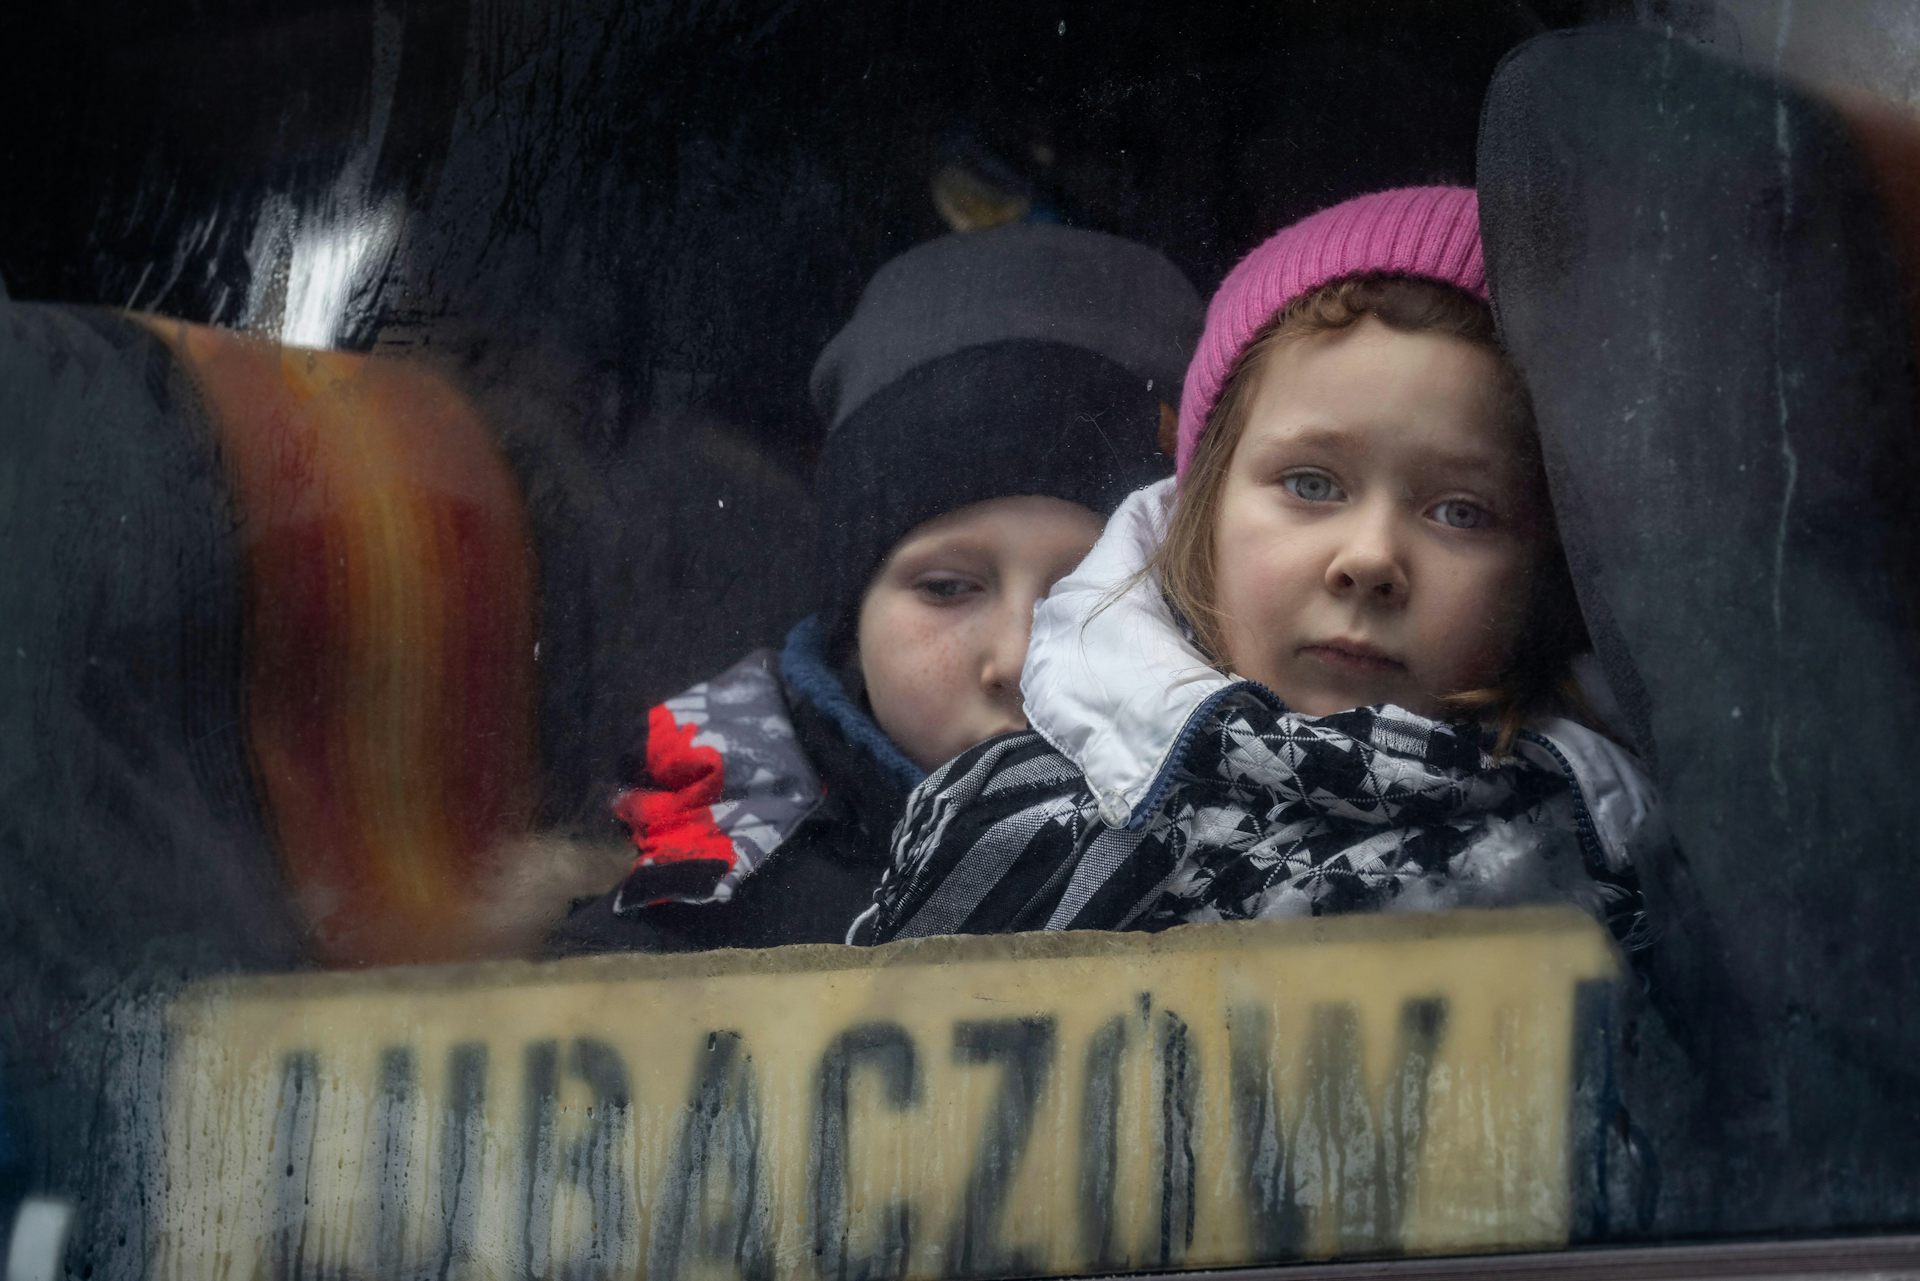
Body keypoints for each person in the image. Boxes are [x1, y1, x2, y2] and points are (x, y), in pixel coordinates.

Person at [852, 187, 1658, 946]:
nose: (1371, 557)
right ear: (1202, 516)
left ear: (1545, 567)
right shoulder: (1018, 823)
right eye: (1311, 484)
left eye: (1461, 511)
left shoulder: (1631, 855)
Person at [531, 223, 1203, 955]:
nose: (1017, 660)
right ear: (853, 625)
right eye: (948, 587)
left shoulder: (1294, 874)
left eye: (1096, 592)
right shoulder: (691, 925)